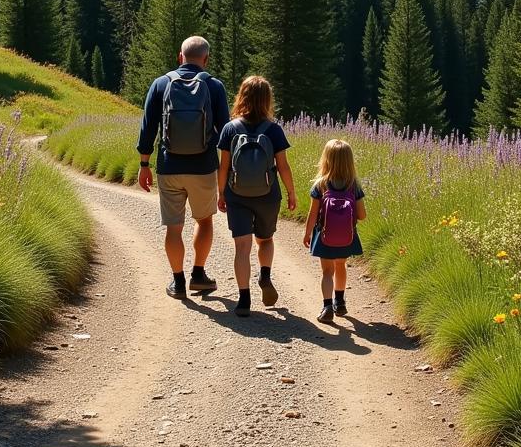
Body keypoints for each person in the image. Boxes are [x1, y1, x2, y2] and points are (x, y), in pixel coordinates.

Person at [137, 35, 229, 299]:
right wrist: (226, 170)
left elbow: (148, 128)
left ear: (180, 56)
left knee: (174, 227)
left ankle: (177, 282)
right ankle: (198, 274)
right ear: (205, 59)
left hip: (169, 166)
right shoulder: (214, 86)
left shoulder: (160, 84)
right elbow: (225, 132)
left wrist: (144, 164)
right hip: (203, 166)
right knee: (204, 220)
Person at [217, 75, 296, 317]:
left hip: (237, 194)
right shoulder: (273, 130)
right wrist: (291, 193)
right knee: (266, 239)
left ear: (242, 97)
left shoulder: (230, 129)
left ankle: (243, 299)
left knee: (242, 247)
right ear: (267, 100)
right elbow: (283, 166)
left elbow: (224, 167)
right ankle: (265, 275)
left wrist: (221, 194)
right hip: (268, 194)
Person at [303, 139, 366, 324]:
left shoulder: (320, 185)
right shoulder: (354, 186)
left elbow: (313, 214)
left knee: (327, 272)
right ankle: (340, 301)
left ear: (326, 159)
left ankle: (327, 306)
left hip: (324, 236)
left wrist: (307, 233)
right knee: (341, 266)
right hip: (347, 237)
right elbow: (362, 215)